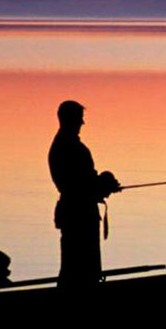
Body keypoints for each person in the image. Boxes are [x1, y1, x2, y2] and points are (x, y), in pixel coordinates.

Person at [48, 100, 120, 289]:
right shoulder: (70, 147)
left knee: (77, 267)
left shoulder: (64, 145)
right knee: (79, 268)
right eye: (80, 119)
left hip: (75, 212)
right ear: (70, 119)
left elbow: (82, 183)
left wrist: (101, 185)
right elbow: (80, 185)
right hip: (79, 214)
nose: (82, 123)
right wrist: (104, 185)